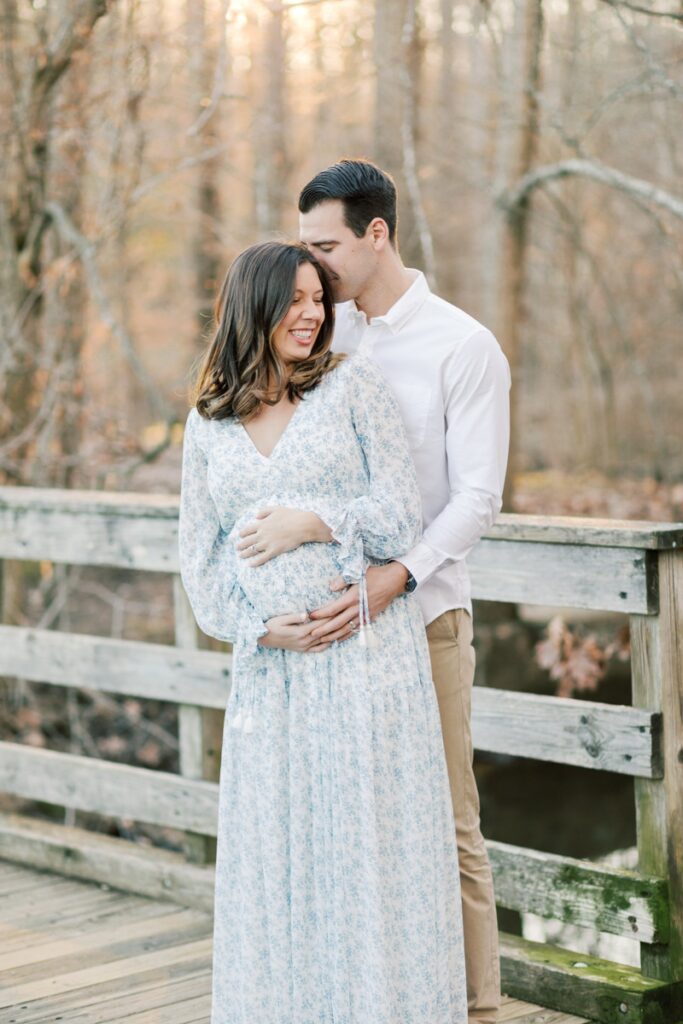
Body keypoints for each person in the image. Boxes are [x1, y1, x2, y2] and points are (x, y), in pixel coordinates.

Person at [178, 239, 468, 1024]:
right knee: (282, 854)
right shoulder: (208, 419)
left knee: (364, 852)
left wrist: (314, 522)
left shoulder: (350, 387)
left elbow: (402, 514)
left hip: (364, 658)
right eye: (296, 301)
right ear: (253, 308)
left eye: (319, 300)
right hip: (272, 675)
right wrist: (258, 629)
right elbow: (198, 561)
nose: (312, 315)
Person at [295, 159, 512, 1024]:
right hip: (339, 623)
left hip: (422, 615)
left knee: (452, 825)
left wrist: (397, 577)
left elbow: (478, 497)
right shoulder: (322, 334)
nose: (311, 268)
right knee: (352, 821)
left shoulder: (462, 345)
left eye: (325, 246)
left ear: (375, 234)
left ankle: (477, 1006)